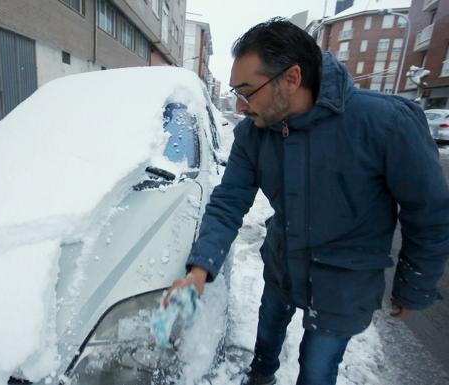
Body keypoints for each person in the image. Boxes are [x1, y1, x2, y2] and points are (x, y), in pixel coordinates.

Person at [165, 18, 449, 385]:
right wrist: (199, 270)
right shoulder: (254, 133)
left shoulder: (384, 122)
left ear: (292, 78)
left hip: (344, 285)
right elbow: (229, 201)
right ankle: (262, 375)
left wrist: (414, 287)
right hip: (282, 268)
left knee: (316, 370)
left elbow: (428, 214)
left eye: (248, 91)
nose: (240, 104)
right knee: (266, 340)